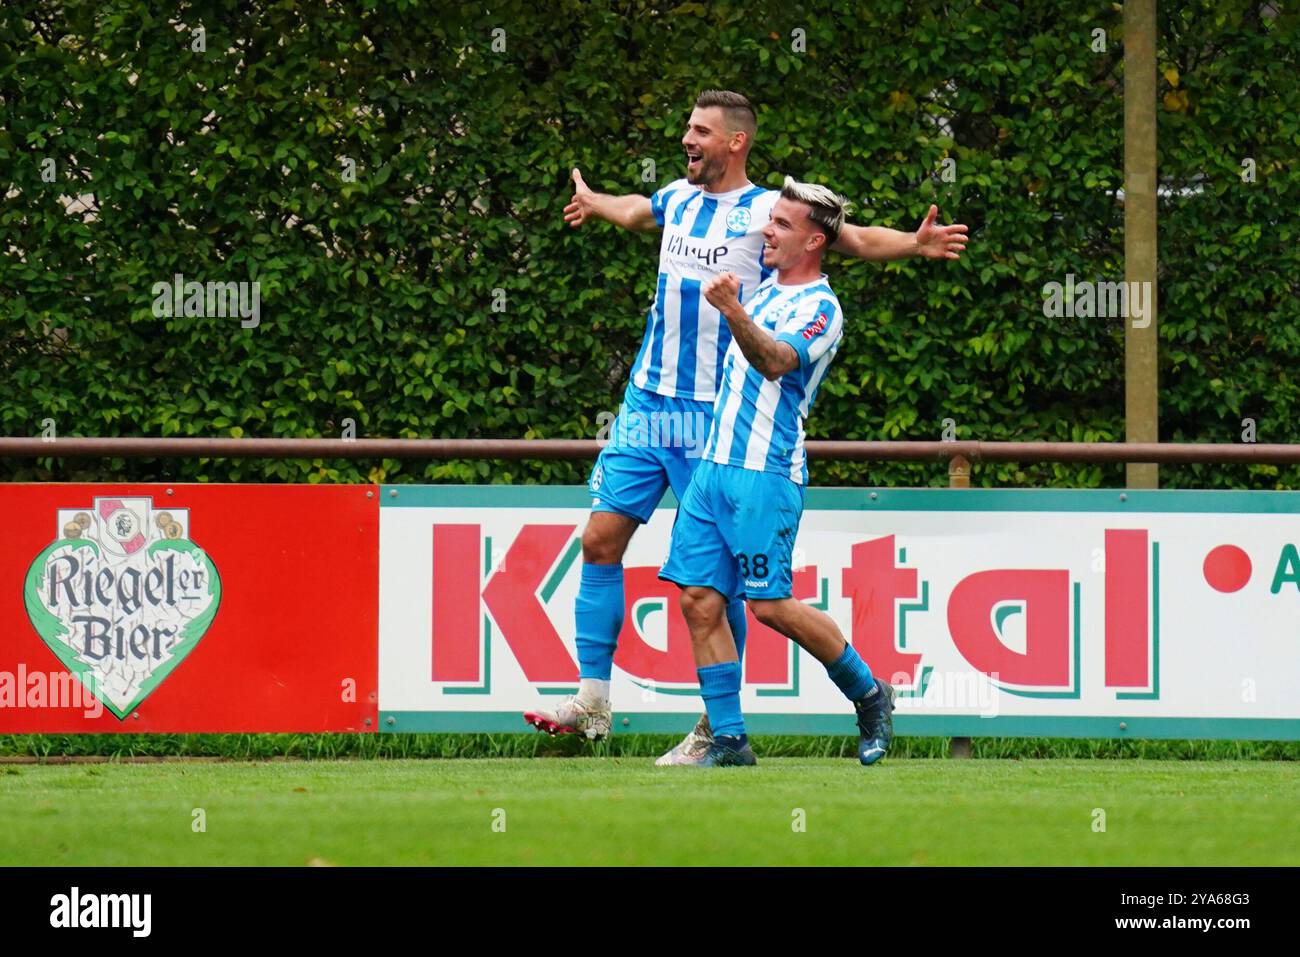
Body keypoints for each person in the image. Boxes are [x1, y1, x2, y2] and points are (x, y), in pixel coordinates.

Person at [524, 90, 966, 764]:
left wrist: (913, 243)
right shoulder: (677, 196)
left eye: (699, 131)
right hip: (649, 401)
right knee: (600, 537)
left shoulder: (769, 212)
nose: (685, 139)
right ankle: (593, 702)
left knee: (726, 588)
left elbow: (849, 240)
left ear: (736, 142)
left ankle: (716, 728)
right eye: (686, 128)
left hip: (718, 414)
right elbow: (637, 211)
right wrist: (594, 199)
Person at [659, 176, 893, 767]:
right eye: (772, 219)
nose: (768, 228)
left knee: (769, 606)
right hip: (712, 471)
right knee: (698, 599)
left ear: (815, 241)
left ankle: (869, 694)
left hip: (764, 473)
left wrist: (732, 309)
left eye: (783, 224)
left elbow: (774, 361)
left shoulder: (822, 307)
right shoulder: (761, 289)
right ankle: (730, 740)